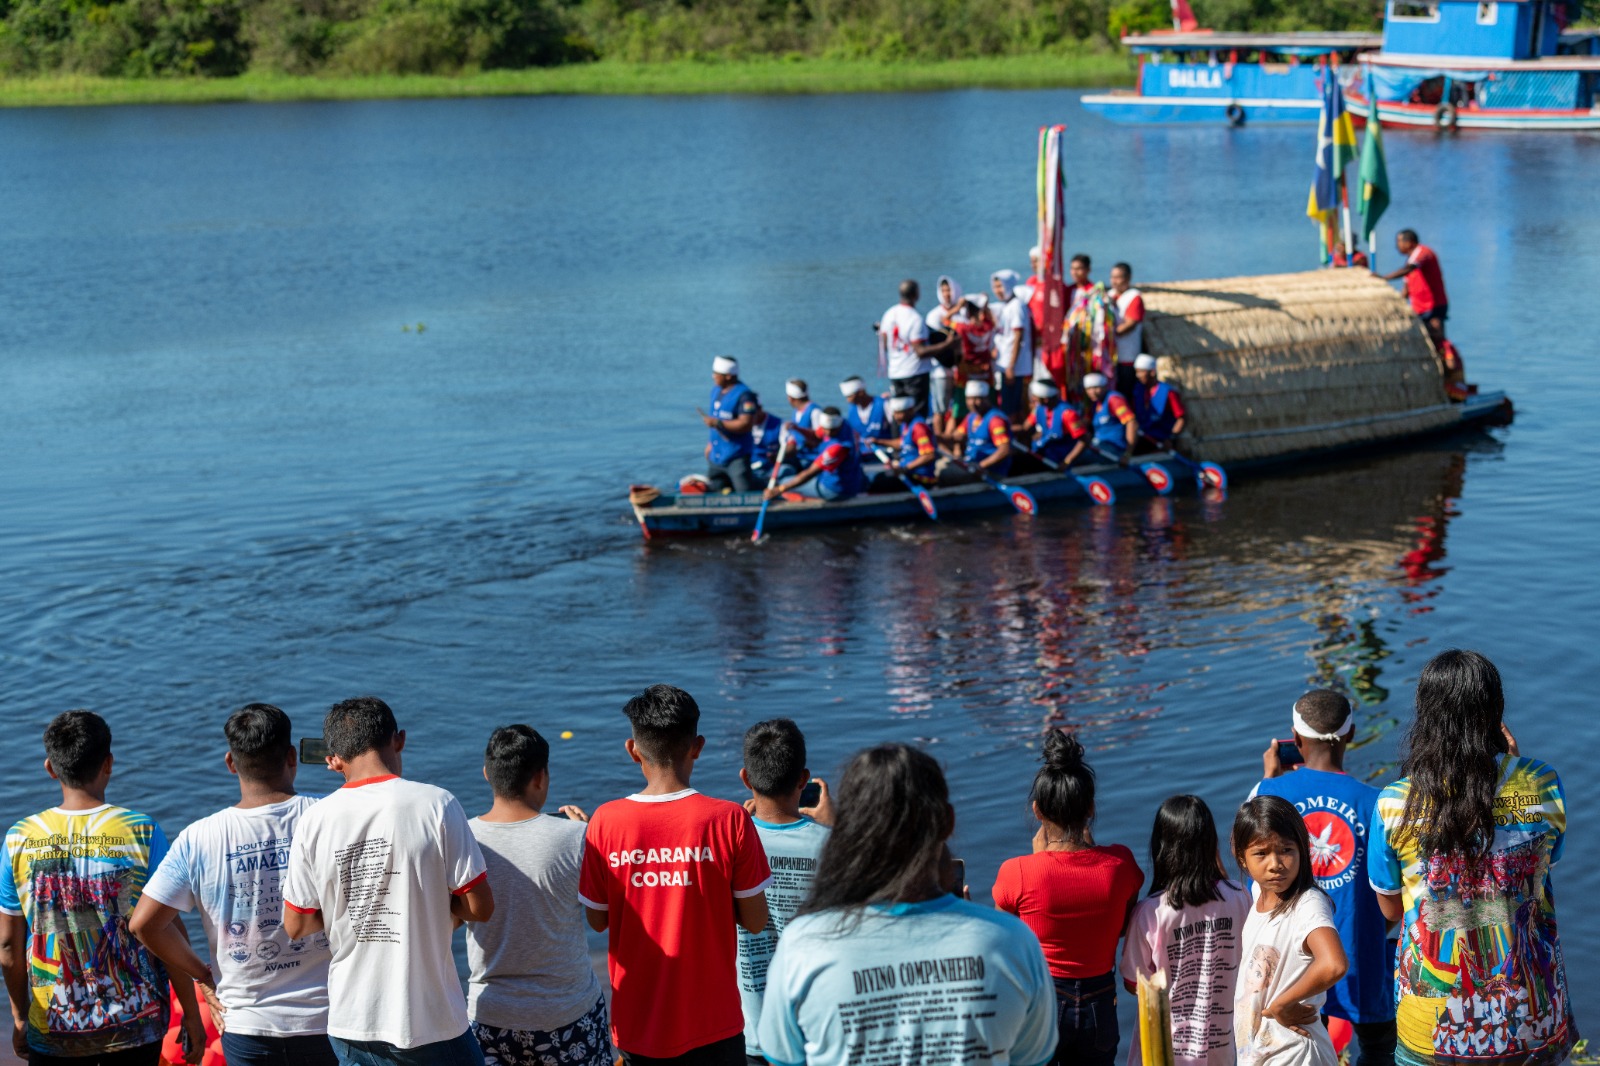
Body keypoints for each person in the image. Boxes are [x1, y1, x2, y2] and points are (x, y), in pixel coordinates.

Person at [756, 744, 1057, 1066]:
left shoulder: (804, 946)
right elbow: (1030, 1058)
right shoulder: (1012, 942)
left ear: (849, 831)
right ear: (947, 822)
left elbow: (784, 1059)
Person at [1369, 650, 1576, 1066]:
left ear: (1426, 716)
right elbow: (1541, 871)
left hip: (1430, 1026)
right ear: (1496, 710)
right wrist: (1515, 768)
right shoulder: (1542, 782)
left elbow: (1389, 908)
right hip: (1532, 1017)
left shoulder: (1394, 804)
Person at [282, 697, 494, 1066]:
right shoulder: (437, 804)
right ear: (399, 740)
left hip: (351, 1022)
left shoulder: (314, 820)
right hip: (430, 1021)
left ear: (334, 759)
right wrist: (434, 907)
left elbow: (296, 923)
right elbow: (480, 906)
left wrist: (347, 908)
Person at [131, 704, 336, 1066]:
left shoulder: (199, 837)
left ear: (230, 762)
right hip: (330, 1019)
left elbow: (144, 924)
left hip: (246, 1026)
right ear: (292, 756)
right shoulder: (332, 815)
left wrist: (203, 977)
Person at [579, 685, 772, 1066]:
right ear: (697, 746)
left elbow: (598, 920)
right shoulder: (728, 818)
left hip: (638, 1022)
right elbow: (755, 920)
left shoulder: (605, 821)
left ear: (633, 750)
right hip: (714, 1022)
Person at [0, 710, 202, 1066]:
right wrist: (191, 1011)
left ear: (50, 768)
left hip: (54, 1027)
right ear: (108, 763)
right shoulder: (141, 832)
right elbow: (167, 928)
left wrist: (20, 1017)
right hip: (136, 1027)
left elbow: (7, 945)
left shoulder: (19, 839)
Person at [1251, 692, 1396, 1066]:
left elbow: (1258, 881)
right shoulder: (1379, 801)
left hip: (1294, 963)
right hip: (1360, 952)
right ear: (1351, 736)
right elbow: (1391, 891)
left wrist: (1269, 781)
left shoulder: (1266, 795)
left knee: (1304, 1046)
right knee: (1379, 1048)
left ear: (1295, 740)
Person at [994, 730, 1144, 1066]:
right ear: (1090, 808)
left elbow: (1009, 940)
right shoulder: (1121, 864)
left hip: (1042, 1004)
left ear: (1037, 810)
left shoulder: (1016, 872)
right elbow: (1122, 927)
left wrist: (1037, 860)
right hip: (1100, 1003)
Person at [464, 726, 607, 1066]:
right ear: (540, 777)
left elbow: (454, 918)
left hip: (489, 1016)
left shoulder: (463, 838)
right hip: (567, 1015)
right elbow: (600, 920)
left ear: (487, 774)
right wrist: (586, 835)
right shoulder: (576, 837)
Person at [1120, 796, 1250, 1066]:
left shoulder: (1151, 911)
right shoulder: (1240, 897)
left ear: (1162, 848)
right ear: (1211, 843)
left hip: (1166, 1051)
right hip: (1223, 1048)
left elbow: (1136, 985)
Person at [735, 720, 829, 1066]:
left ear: (746, 778)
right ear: (803, 780)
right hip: (814, 1031)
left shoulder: (729, 843)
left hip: (748, 1032)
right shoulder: (833, 847)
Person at [1231, 796, 1348, 1066]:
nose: (1275, 864)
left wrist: (1283, 1003)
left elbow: (1334, 964)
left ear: (1302, 851)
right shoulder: (1259, 890)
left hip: (1296, 1052)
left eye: (1286, 850)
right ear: (1242, 858)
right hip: (1263, 1052)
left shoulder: (1307, 903)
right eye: (1261, 854)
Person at [763, 408, 864, 503]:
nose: (827, 433)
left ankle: (793, 497)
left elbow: (809, 473)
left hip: (835, 489)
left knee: (784, 481)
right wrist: (797, 428)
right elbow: (816, 435)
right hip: (851, 480)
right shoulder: (843, 424)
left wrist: (780, 489)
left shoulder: (837, 448)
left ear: (837, 426)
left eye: (832, 430)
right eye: (825, 429)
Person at [878, 280, 935, 415]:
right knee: (917, 414)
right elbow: (920, 351)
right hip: (915, 373)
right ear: (916, 294)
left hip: (896, 372)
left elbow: (885, 345)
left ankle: (900, 436)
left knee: (899, 413)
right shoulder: (915, 318)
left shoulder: (889, 314)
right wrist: (948, 344)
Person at [702, 356, 758, 493]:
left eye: (716, 374)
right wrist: (710, 444)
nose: (713, 377)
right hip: (716, 456)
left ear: (727, 376)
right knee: (715, 492)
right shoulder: (716, 391)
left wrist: (718, 423)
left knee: (744, 494)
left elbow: (746, 424)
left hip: (736, 456)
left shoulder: (745, 395)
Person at [1382, 230, 1448, 341]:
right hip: (1419, 308)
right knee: (1424, 341)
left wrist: (1385, 278)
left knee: (1437, 340)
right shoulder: (1410, 260)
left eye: (1399, 241)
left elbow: (1410, 268)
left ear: (1409, 243)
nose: (1397, 245)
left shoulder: (1422, 253)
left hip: (1432, 307)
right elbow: (1406, 287)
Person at [947, 294, 997, 433]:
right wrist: (985, 305)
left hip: (966, 374)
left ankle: (955, 445)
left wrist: (957, 307)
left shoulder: (962, 328)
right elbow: (992, 319)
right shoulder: (987, 326)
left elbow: (944, 320)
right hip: (985, 374)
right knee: (987, 409)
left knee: (958, 413)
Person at [991, 270, 1034, 418]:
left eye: (1001, 286)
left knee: (1011, 408)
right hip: (1005, 364)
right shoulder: (1007, 306)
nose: (998, 291)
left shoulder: (1016, 306)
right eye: (995, 287)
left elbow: (1018, 337)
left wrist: (1011, 366)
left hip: (1014, 366)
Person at [924, 276, 964, 435]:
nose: (947, 294)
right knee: (940, 408)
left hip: (961, 369)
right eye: (943, 291)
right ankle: (939, 441)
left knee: (958, 408)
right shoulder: (934, 315)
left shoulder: (963, 312)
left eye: (949, 290)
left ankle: (954, 441)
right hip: (940, 370)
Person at [1021, 379, 1087, 468]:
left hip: (1061, 458)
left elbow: (1084, 440)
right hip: (1045, 453)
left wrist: (1067, 461)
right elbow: (1025, 427)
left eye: (1035, 396)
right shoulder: (1038, 409)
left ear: (1045, 399)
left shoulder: (1068, 413)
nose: (1033, 399)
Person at [876, 394, 937, 489]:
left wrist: (905, 469)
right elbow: (902, 443)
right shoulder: (906, 424)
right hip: (907, 473)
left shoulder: (919, 428)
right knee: (879, 477)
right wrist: (878, 441)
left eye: (899, 413)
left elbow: (929, 455)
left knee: (880, 482)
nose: (896, 417)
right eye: (895, 413)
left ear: (910, 410)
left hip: (919, 478)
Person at [955, 380, 1013, 480]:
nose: (972, 403)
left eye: (977, 399)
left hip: (990, 471)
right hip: (971, 464)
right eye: (969, 399)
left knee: (946, 474)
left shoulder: (995, 420)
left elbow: (1005, 450)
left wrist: (981, 466)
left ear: (986, 399)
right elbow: (956, 436)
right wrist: (936, 436)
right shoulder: (971, 416)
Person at [1130, 355, 1186, 452]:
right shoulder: (1138, 390)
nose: (1137, 375)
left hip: (1161, 441)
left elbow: (1181, 418)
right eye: (1137, 372)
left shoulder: (1168, 392)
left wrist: (1171, 438)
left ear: (1152, 372)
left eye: (1141, 372)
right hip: (1142, 440)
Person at [1084, 372, 1138, 462]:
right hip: (1098, 445)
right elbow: (1085, 422)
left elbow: (1132, 422)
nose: (1092, 392)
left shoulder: (1114, 400)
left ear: (1105, 386)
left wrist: (1128, 453)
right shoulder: (1095, 403)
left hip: (1114, 448)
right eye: (1089, 389)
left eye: (1096, 388)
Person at [1109, 263, 1144, 397]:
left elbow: (1131, 324)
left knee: (1126, 391)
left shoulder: (1134, 297)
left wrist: (1110, 334)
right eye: (1112, 277)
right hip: (1111, 356)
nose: (1114, 281)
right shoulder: (1109, 295)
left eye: (1118, 277)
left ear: (1128, 278)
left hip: (1127, 356)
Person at [747, 394, 794, 487]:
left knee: (788, 470)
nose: (750, 416)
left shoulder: (779, 424)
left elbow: (791, 446)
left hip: (770, 469)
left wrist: (778, 455)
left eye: (754, 412)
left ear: (760, 408)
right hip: (747, 469)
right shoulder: (741, 424)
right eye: (747, 414)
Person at [839, 377, 893, 451]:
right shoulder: (852, 409)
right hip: (862, 454)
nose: (848, 401)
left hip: (884, 451)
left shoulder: (883, 404)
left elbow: (898, 430)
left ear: (861, 393)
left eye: (850, 396)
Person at [783, 379, 820, 466]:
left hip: (812, 458)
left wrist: (798, 429)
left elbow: (819, 437)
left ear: (790, 398)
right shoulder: (796, 411)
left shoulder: (815, 411)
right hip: (800, 456)